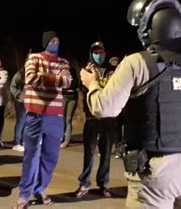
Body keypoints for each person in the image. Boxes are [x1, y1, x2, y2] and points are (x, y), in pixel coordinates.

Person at [80, 0, 181, 208]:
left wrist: (92, 84)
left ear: (148, 30)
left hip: (156, 169)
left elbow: (104, 107)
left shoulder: (136, 62)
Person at [14, 31, 72, 208]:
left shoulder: (64, 62)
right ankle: (24, 194)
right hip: (35, 116)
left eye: (57, 40)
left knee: (50, 157)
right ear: (45, 42)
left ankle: (40, 189)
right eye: (52, 40)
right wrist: (56, 79)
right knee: (31, 156)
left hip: (55, 117)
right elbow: (30, 78)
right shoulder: (34, 58)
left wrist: (45, 77)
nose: (55, 42)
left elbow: (67, 82)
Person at [75, 41, 116, 199]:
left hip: (109, 118)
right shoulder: (86, 70)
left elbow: (112, 90)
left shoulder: (112, 71)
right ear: (91, 53)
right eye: (95, 52)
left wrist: (97, 81)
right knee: (89, 153)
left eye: (101, 51)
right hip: (92, 118)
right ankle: (84, 183)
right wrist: (96, 81)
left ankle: (103, 184)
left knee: (106, 153)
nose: (99, 54)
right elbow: (86, 90)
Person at [61, 66, 79, 148]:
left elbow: (75, 85)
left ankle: (66, 140)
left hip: (73, 98)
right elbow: (60, 85)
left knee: (68, 119)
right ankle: (61, 137)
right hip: (64, 97)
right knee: (62, 118)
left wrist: (68, 86)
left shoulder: (73, 74)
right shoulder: (62, 74)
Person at [10, 66, 26, 152]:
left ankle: (24, 141)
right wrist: (17, 94)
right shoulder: (19, 74)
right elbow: (12, 86)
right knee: (21, 121)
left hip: (30, 102)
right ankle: (17, 143)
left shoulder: (35, 74)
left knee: (27, 122)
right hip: (21, 102)